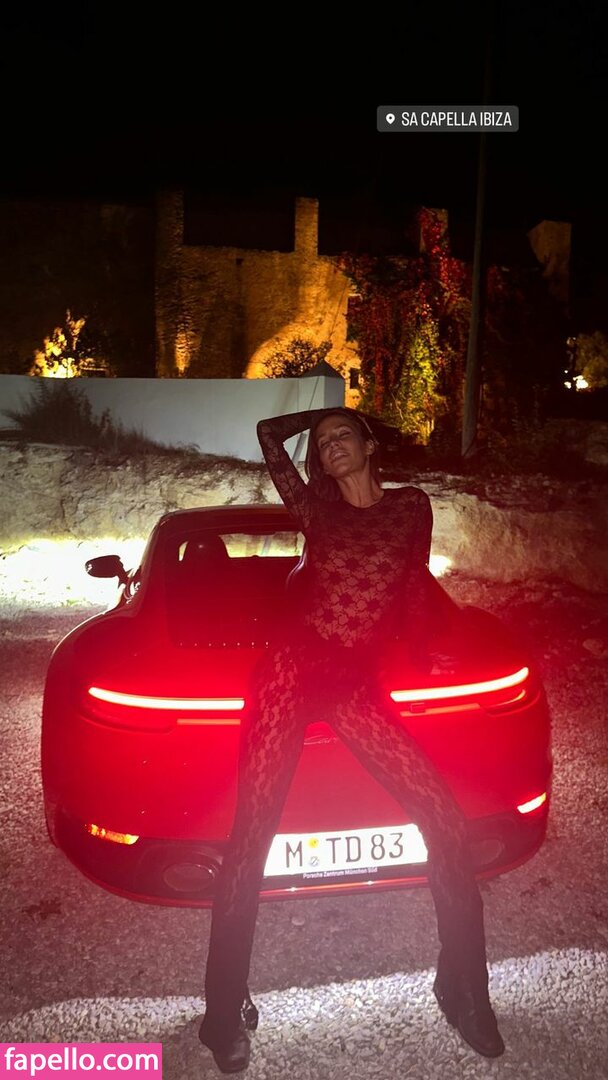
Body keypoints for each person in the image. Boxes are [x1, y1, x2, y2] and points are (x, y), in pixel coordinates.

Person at [199, 407, 505, 1073]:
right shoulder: (317, 510)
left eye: (345, 434)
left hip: (353, 683)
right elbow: (268, 434)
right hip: (291, 672)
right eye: (323, 441)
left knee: (445, 821)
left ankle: (465, 990)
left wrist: (427, 652)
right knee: (251, 839)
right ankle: (220, 1013)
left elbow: (415, 583)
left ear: (370, 444)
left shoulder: (410, 506)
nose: (332, 444)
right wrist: (328, 412)